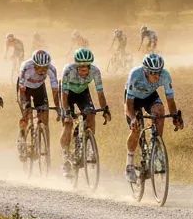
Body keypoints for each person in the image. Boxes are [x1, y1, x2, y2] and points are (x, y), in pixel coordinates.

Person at [124, 53, 182, 181]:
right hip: (133, 100)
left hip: (149, 96)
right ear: (145, 71)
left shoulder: (165, 75)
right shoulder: (135, 75)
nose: (156, 75)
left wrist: (174, 117)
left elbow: (170, 100)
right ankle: (129, 164)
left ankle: (156, 146)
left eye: (158, 72)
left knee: (160, 112)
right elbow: (128, 105)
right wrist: (133, 118)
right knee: (136, 129)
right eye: (152, 73)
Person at [59, 47, 110, 175]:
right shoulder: (68, 71)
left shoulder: (95, 71)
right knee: (68, 123)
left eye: (86, 67)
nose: (84, 70)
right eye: (81, 67)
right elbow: (63, 96)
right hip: (67, 94)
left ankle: (88, 145)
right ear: (76, 65)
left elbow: (100, 93)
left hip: (82, 93)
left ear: (90, 65)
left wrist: (105, 109)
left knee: (91, 114)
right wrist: (66, 113)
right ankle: (65, 158)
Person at [16, 49, 58, 162]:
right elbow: (22, 90)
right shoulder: (26, 67)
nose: (42, 70)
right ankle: (22, 138)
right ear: (34, 64)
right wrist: (25, 105)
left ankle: (47, 151)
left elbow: (55, 91)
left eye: (45, 68)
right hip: (25, 89)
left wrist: (58, 107)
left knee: (45, 120)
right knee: (27, 113)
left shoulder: (52, 69)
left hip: (39, 88)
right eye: (38, 67)